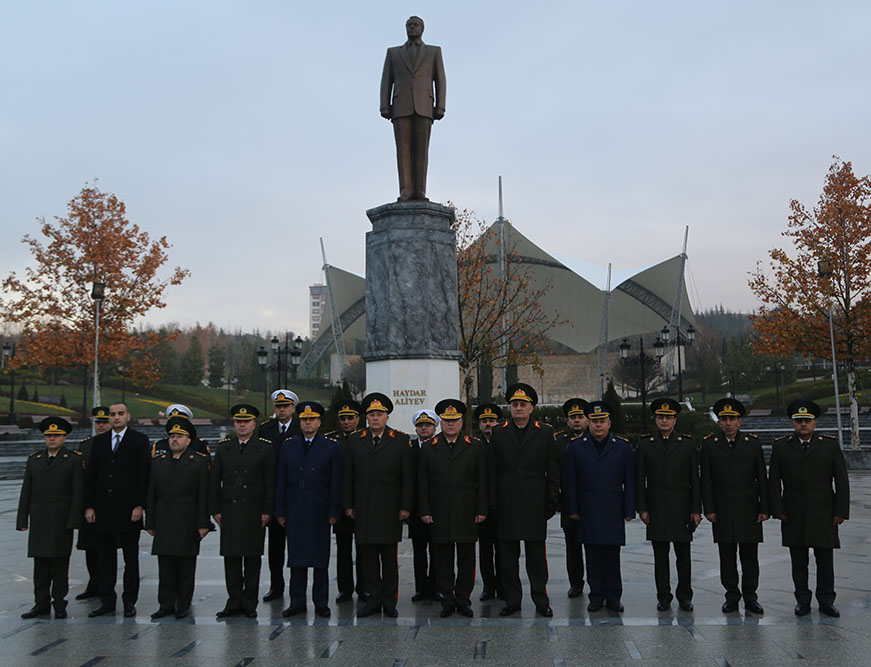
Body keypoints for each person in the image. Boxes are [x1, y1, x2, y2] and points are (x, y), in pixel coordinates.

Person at [769, 399, 850, 617]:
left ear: (814, 423)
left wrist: (841, 511)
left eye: (807, 421)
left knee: (825, 559)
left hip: (823, 511)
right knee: (798, 561)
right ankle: (802, 600)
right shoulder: (781, 446)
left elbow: (841, 480)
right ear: (793, 424)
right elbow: (774, 481)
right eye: (799, 421)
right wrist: (778, 509)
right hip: (793, 511)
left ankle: (826, 600)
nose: (803, 424)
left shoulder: (829, 445)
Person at [488, 382, 560, 617]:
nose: (518, 408)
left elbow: (553, 469)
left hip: (534, 501)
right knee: (507, 557)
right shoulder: (499, 432)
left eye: (523, 404)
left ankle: (540, 599)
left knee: (536, 556)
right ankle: (512, 600)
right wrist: (493, 501)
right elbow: (492, 469)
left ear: (532, 408)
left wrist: (551, 499)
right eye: (515, 404)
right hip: (507, 501)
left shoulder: (545, 431)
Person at [343, 393, 414, 618]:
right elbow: (348, 475)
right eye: (372, 414)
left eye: (380, 414)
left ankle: (389, 600)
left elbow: (407, 478)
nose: (375, 418)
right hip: (363, 506)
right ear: (366, 417)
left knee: (389, 558)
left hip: (389, 507)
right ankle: (372, 599)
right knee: (367, 557)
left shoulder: (400, 440)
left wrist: (405, 506)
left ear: (387, 416)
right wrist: (348, 504)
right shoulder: (356, 439)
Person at [563, 401, 635, 612]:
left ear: (609, 423)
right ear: (588, 423)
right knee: (592, 553)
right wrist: (573, 509)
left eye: (602, 421)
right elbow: (570, 482)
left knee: (612, 554)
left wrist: (629, 509)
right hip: (588, 507)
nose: (598, 425)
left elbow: (629, 480)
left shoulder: (622, 447)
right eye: (594, 421)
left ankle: (613, 595)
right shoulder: (576, 447)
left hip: (612, 506)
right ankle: (596, 595)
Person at [418, 399, 487, 617]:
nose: (450, 424)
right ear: (440, 422)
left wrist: (482, 509)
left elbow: (483, 481)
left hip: (466, 509)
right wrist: (424, 510)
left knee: (467, 558)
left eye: (454, 420)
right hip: (439, 510)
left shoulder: (474, 446)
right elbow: (423, 482)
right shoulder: (430, 447)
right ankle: (447, 599)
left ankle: (463, 599)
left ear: (461, 421)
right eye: (446, 420)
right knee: (442, 558)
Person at [701, 398, 769, 614]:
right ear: (719, 422)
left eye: (732, 419)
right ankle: (731, 596)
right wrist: (709, 508)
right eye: (724, 419)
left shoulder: (753, 443)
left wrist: (764, 508)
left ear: (740, 421)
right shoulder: (710, 445)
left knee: (749, 556)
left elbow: (762, 478)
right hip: (722, 509)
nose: (728, 423)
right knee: (727, 556)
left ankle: (751, 596)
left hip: (748, 508)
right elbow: (706, 481)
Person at [275, 401, 343, 618]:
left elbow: (335, 481)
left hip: (319, 507)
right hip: (295, 506)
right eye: (304, 419)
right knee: (296, 558)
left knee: (320, 558)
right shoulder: (288, 446)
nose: (308, 423)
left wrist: (334, 510)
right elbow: (281, 480)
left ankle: (321, 602)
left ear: (319, 422)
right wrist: (280, 510)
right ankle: (297, 602)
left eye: (312, 419)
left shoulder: (331, 447)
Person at [84, 402, 151, 618]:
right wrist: (89, 505)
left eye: (120, 414)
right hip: (103, 509)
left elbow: (144, 475)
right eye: (112, 414)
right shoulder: (100, 441)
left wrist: (140, 505)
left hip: (128, 509)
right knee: (105, 557)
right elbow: (91, 476)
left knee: (130, 558)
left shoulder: (139, 440)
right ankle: (107, 600)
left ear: (128, 416)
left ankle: (129, 600)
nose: (116, 418)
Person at [635, 397, 701, 611]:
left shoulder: (688, 444)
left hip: (681, 507)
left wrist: (695, 509)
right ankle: (663, 596)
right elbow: (640, 480)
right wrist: (643, 508)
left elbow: (695, 480)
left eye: (668, 417)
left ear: (675, 420)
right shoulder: (645, 444)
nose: (664, 421)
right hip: (656, 507)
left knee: (684, 556)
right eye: (660, 417)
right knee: (660, 556)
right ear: (655, 419)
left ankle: (685, 596)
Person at [211, 404, 275, 619]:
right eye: (239, 421)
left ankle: (249, 602)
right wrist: (215, 509)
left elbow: (270, 482)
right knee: (231, 557)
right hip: (229, 509)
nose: (242, 425)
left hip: (254, 510)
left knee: (252, 558)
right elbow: (214, 481)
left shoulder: (264, 448)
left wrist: (267, 509)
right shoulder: (224, 448)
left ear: (253, 425)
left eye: (246, 422)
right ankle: (233, 600)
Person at [17, 417, 84, 619]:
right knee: (40, 566)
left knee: (59, 565)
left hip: (60, 520)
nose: (52, 439)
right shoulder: (34, 460)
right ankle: (41, 603)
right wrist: (22, 520)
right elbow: (26, 491)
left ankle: (59, 603)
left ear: (64, 438)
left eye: (56, 436)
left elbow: (78, 493)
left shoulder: (73, 460)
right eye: (49, 436)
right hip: (39, 520)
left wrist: (74, 520)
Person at [145, 417, 210, 619]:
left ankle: (183, 604)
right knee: (165, 567)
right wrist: (150, 522)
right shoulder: (158, 462)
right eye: (172, 436)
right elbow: (151, 494)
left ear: (188, 440)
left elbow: (203, 496)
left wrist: (203, 524)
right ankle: (166, 604)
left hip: (187, 521)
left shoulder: (198, 462)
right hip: (164, 520)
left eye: (179, 436)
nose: (175, 440)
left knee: (185, 567)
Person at [380, 15, 446, 201]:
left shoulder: (434, 52)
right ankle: (406, 190)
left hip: (425, 106)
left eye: (415, 25)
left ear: (422, 29)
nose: (412, 28)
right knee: (403, 150)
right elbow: (387, 79)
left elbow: (440, 79)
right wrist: (384, 104)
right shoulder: (393, 53)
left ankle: (420, 191)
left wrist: (440, 105)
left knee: (421, 150)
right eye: (409, 25)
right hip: (401, 106)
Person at [258, 389, 300, 603]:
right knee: (275, 547)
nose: (282, 410)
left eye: (286, 406)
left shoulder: (301, 427)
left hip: (295, 495)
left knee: (297, 546)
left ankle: (296, 588)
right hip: (274, 494)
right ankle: (276, 586)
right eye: (278, 406)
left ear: (293, 408)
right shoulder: (265, 429)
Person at [326, 399, 366, 603]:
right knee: (343, 549)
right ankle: (345, 589)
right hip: (340, 503)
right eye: (343, 418)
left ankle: (364, 587)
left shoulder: (366, 438)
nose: (347, 422)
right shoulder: (331, 441)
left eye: (351, 418)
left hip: (362, 503)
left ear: (358, 419)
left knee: (363, 548)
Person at [73, 406, 110, 601]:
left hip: (107, 503)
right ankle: (93, 582)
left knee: (105, 548)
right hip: (88, 503)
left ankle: (105, 584)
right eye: (98, 422)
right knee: (89, 546)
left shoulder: (114, 444)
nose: (101, 426)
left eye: (104, 422)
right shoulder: (86, 445)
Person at [557, 398, 589, 598]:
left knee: (595, 545)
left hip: (592, 501)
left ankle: (597, 583)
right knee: (572, 546)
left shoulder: (596, 437)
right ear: (567, 421)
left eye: (580, 417)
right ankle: (575, 583)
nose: (577, 420)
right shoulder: (559, 442)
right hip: (569, 501)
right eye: (573, 417)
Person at [409, 408, 439, 602]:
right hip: (415, 509)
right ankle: (421, 588)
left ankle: (436, 587)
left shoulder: (441, 446)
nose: (424, 428)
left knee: (437, 551)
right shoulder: (408, 447)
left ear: (434, 428)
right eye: (420, 425)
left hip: (437, 507)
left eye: (427, 425)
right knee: (419, 552)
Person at [474, 402, 503, 601]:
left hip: (502, 505)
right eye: (484, 421)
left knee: (503, 551)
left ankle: (503, 586)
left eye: (492, 420)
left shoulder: (504, 443)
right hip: (481, 506)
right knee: (485, 551)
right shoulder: (474, 445)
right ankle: (488, 587)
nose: (488, 424)